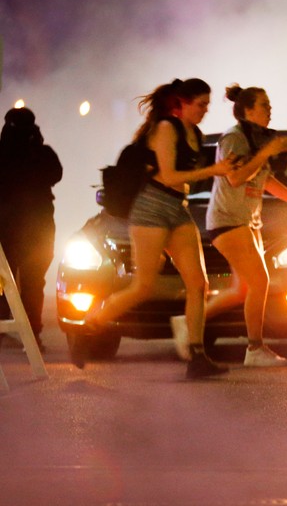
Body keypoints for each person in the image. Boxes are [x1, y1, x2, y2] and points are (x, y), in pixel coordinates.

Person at [75, 78, 237, 379]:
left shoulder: (195, 133)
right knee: (143, 286)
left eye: (207, 105)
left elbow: (186, 180)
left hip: (177, 209)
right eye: (200, 104)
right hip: (151, 208)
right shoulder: (166, 128)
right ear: (182, 103)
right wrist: (216, 170)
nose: (205, 110)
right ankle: (89, 328)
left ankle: (197, 356)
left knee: (198, 284)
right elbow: (171, 176)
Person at [170, 84, 287, 367]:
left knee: (242, 290)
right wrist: (267, 152)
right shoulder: (234, 138)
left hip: (247, 221)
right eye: (264, 105)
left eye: (269, 105)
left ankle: (187, 322)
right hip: (228, 220)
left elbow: (265, 180)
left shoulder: (255, 139)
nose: (270, 110)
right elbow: (236, 178)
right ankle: (255, 349)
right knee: (260, 282)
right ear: (248, 110)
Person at [0, 107, 63, 351]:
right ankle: (31, 334)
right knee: (34, 282)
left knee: (4, 281)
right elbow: (56, 174)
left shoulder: (4, 152)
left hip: (7, 227)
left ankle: (8, 326)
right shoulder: (42, 152)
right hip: (39, 226)